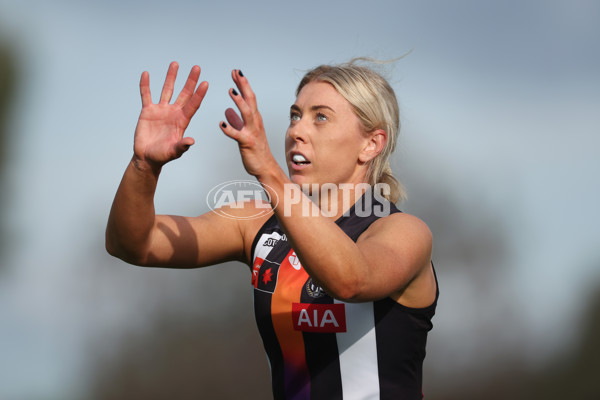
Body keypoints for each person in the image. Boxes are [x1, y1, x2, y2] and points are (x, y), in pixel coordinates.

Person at [106, 59, 438, 399]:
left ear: (371, 143)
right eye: (296, 115)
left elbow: (350, 280)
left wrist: (268, 171)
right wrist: (144, 166)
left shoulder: (403, 232)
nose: (296, 130)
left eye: (320, 117)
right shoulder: (257, 225)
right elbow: (133, 243)